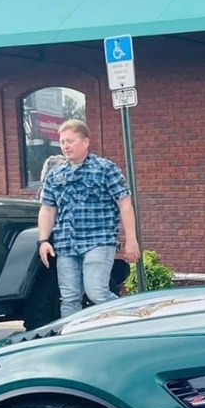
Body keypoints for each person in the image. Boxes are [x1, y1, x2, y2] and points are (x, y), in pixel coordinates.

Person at [38, 120, 140, 318]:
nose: (65, 146)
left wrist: (131, 240)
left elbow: (125, 204)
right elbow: (47, 209)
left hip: (99, 241)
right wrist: (43, 240)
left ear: (85, 142)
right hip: (66, 244)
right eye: (62, 142)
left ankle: (132, 320)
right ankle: (72, 339)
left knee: (97, 292)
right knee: (69, 298)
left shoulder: (106, 169)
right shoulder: (55, 174)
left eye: (70, 141)